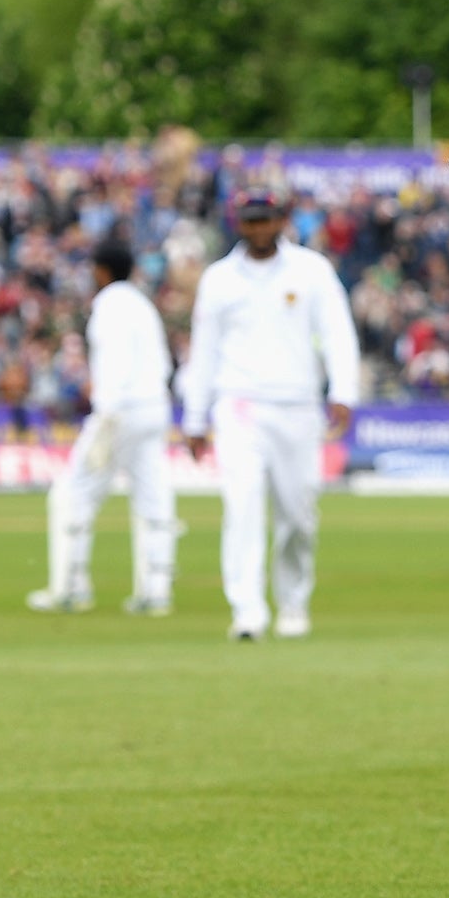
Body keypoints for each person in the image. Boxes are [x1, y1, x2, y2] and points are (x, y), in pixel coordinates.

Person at [179, 189, 359, 641]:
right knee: (241, 506)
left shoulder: (311, 270)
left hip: (297, 404)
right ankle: (248, 610)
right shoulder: (219, 279)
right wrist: (195, 419)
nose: (259, 228)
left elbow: (337, 333)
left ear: (282, 220)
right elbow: (203, 352)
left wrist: (342, 391)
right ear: (238, 224)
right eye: (250, 221)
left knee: (298, 515)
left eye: (267, 220)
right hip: (238, 404)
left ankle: (294, 602)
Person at [32, 238, 179, 615]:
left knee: (74, 494)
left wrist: (105, 414)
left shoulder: (109, 306)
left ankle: (70, 587)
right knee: (153, 497)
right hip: (153, 408)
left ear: (101, 271)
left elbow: (113, 365)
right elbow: (162, 363)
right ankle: (156, 591)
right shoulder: (143, 305)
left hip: (120, 411)